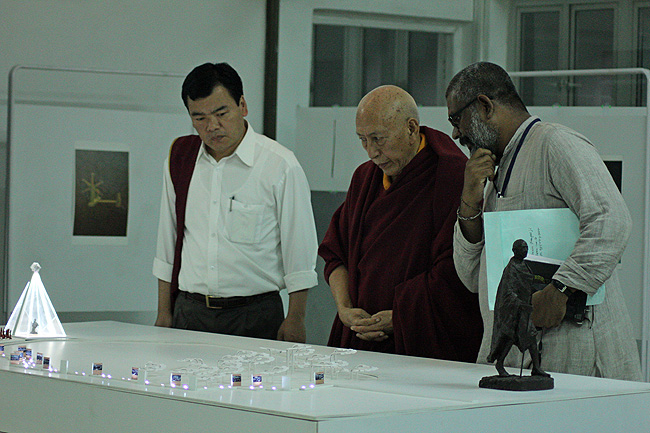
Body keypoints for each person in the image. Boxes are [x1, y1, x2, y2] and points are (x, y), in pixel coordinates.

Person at [448, 61, 642, 380]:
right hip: (520, 357)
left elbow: (612, 220)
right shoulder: (494, 166)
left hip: (580, 352)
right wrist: (469, 202)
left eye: (457, 119)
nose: (456, 133)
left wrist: (561, 289)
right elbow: (470, 277)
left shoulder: (555, 143)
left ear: (484, 106)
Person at [153, 62, 318, 342]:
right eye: (199, 118)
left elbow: (299, 251)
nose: (212, 126)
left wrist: (296, 318)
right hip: (190, 313)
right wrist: (163, 313)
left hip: (254, 315)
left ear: (242, 105)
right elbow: (167, 243)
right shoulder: (180, 158)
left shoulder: (280, 165)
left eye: (221, 113)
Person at [318, 85, 483, 361]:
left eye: (378, 139)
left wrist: (400, 317)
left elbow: (459, 272)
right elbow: (336, 253)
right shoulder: (364, 178)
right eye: (362, 140)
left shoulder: (451, 176)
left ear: (411, 128)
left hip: (422, 342)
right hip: (360, 338)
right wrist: (345, 310)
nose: (371, 152)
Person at [488, 240, 548, 378]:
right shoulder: (512, 268)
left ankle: (536, 368)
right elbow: (508, 290)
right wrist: (518, 303)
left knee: (531, 337)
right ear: (515, 250)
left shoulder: (524, 266)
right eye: (522, 248)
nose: (525, 250)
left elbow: (526, 282)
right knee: (509, 338)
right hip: (513, 310)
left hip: (524, 310)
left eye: (526, 248)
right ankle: (499, 364)